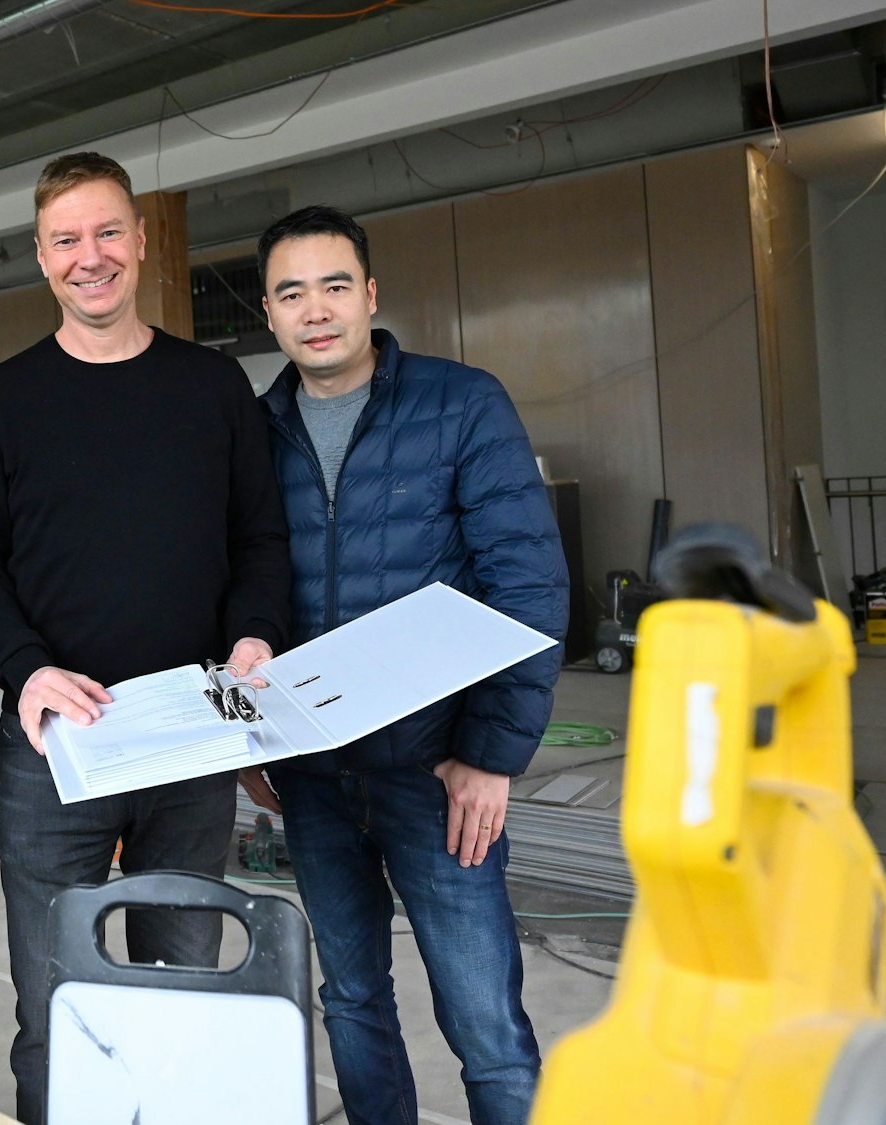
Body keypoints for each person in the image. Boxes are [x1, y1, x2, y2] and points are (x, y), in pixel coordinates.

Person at [0, 151, 292, 1122]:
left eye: (106, 233)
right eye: (66, 239)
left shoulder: (211, 387)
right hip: (60, 739)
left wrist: (255, 638)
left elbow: (258, 538)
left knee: (179, 984)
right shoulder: (5, 400)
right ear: (40, 257)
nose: (88, 256)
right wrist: (24, 672)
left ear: (140, 242)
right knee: (55, 999)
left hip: (190, 731)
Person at [241, 204, 568, 1125]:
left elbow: (529, 584)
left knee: (485, 1026)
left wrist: (493, 754)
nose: (316, 310)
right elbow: (237, 590)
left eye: (335, 286)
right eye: (291, 292)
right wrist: (253, 738)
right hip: (313, 776)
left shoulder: (461, 403)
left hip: (438, 771)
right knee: (350, 999)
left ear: (371, 295)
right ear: (268, 314)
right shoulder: (253, 432)